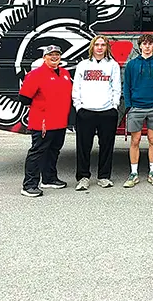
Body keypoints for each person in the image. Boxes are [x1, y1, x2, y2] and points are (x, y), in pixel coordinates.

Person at [19, 45, 73, 197]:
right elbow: (24, 98)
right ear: (44, 57)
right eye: (51, 55)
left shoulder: (64, 73)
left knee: (54, 150)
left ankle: (49, 179)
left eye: (57, 54)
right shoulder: (36, 74)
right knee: (38, 152)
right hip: (42, 122)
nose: (54, 57)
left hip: (60, 121)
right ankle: (29, 185)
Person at [72, 35, 121, 191]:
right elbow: (76, 87)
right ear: (92, 47)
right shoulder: (83, 65)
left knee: (106, 146)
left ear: (107, 48)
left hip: (107, 111)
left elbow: (116, 87)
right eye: (97, 45)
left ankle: (104, 177)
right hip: (86, 111)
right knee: (83, 147)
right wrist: (78, 106)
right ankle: (83, 177)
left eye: (103, 45)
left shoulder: (113, 65)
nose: (100, 48)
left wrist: (114, 106)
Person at [122, 34, 153, 188]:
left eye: (150, 44)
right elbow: (126, 86)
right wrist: (129, 105)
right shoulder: (132, 64)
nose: (147, 46)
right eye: (144, 44)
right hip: (136, 107)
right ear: (140, 46)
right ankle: (133, 173)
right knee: (135, 140)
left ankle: (152, 172)